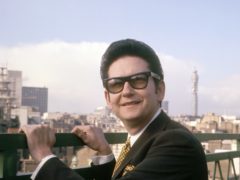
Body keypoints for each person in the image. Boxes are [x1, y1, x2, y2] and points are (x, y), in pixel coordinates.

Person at [20, 39, 208, 180]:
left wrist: (45, 156)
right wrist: (104, 153)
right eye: (116, 83)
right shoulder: (146, 137)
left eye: (139, 80)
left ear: (159, 90)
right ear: (108, 98)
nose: (127, 91)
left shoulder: (178, 144)